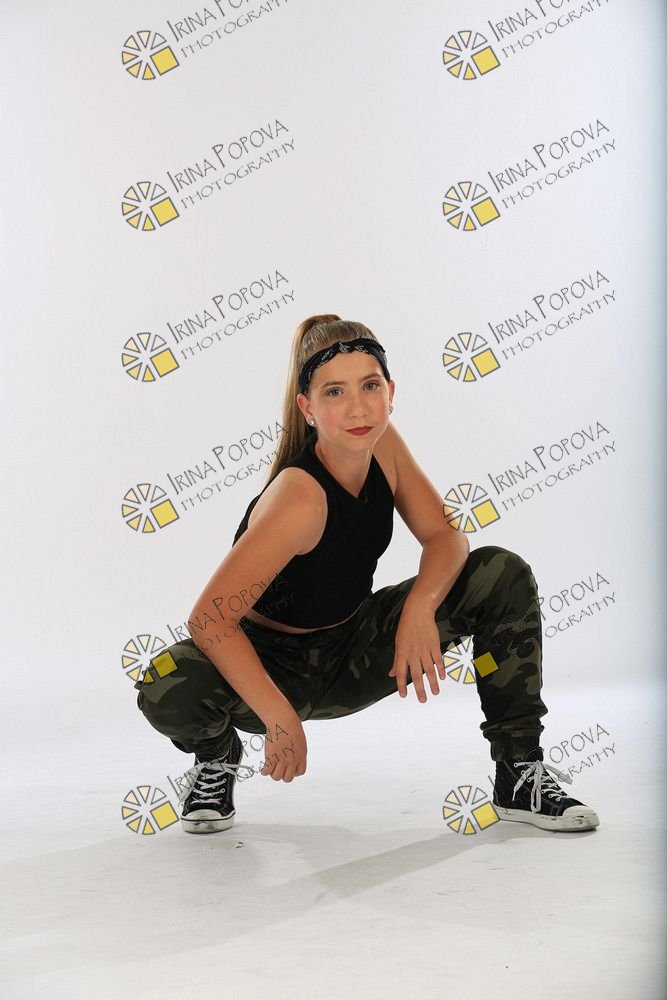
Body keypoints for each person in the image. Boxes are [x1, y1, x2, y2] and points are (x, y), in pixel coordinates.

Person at [134, 314, 600, 835]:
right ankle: (217, 756)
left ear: (390, 392)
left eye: (370, 386)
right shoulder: (299, 498)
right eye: (335, 392)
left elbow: (445, 536)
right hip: (271, 665)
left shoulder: (381, 443)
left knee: (500, 574)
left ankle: (518, 772)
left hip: (356, 647)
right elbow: (210, 620)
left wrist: (421, 607)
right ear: (307, 408)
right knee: (166, 682)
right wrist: (278, 717)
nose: (358, 408)